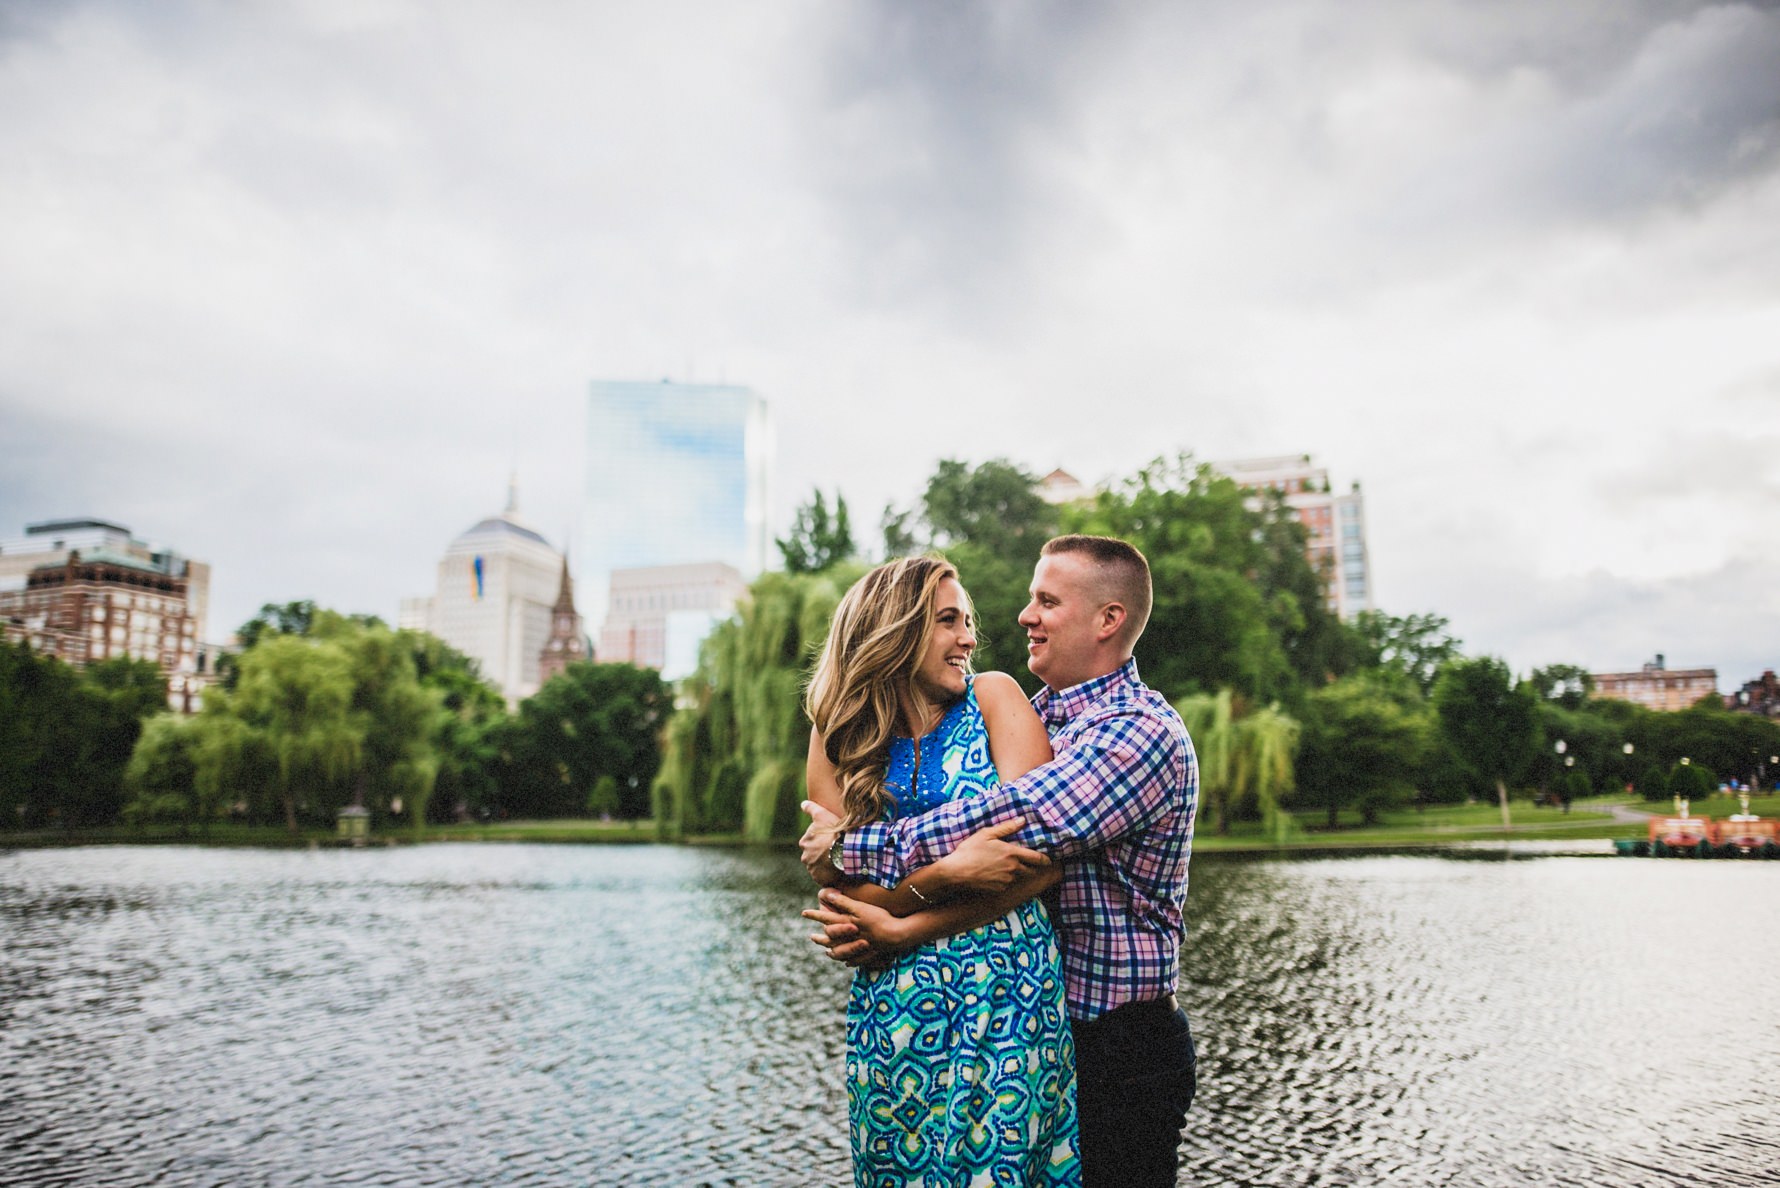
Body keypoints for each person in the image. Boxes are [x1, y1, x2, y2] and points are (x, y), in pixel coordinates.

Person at [801, 535, 1198, 1188]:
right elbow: (849, 899)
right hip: (1008, 1018)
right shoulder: (1040, 715)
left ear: (1108, 620)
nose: (1022, 617)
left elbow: (1013, 830)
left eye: (1046, 600)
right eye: (951, 618)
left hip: (1114, 1044)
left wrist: (849, 849)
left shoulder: (1136, 734)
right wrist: (920, 885)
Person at [801, 555, 1082, 1187]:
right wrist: (955, 869)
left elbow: (1038, 867)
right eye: (948, 621)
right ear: (896, 629)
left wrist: (902, 921)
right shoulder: (837, 734)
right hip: (892, 1012)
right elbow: (843, 894)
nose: (970, 638)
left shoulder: (996, 698)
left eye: (968, 621)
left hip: (1007, 993)